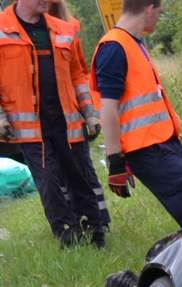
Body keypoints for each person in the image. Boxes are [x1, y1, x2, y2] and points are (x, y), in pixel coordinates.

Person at [91, 0, 182, 228]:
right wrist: (115, 160)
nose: (158, 17)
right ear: (149, 9)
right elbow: (108, 108)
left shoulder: (131, 43)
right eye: (159, 11)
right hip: (150, 152)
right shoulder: (114, 48)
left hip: (165, 145)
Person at [0, 0, 106, 246]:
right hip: (30, 130)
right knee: (49, 184)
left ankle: (96, 236)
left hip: (67, 122)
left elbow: (77, 74)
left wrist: (89, 111)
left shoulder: (64, 29)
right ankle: (70, 240)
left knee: (80, 180)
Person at [48, 0, 111, 233]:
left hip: (72, 115)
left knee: (82, 173)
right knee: (63, 176)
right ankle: (79, 223)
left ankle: (99, 222)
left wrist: (89, 113)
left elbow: (79, 73)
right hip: (52, 118)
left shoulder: (69, 26)